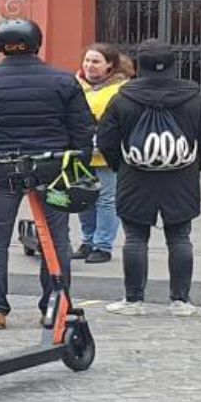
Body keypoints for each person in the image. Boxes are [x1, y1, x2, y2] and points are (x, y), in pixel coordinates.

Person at [0, 19, 96, 332]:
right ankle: (55, 303)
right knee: (56, 236)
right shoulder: (62, 80)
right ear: (37, 43)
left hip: (0, 164)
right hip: (52, 164)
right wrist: (78, 162)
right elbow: (82, 128)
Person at [97, 40, 201, 317]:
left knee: (135, 238)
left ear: (140, 66)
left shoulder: (123, 97)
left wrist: (120, 165)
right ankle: (180, 301)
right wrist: (194, 166)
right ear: (173, 64)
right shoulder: (194, 97)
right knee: (179, 237)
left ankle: (133, 301)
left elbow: (106, 138)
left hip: (135, 175)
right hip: (181, 176)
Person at [75, 43, 129, 266]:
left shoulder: (122, 89)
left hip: (108, 155)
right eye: (87, 61)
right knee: (82, 198)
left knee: (106, 201)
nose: (89, 66)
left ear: (110, 66)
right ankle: (87, 241)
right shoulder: (74, 84)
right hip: (80, 152)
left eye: (96, 61)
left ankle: (102, 245)